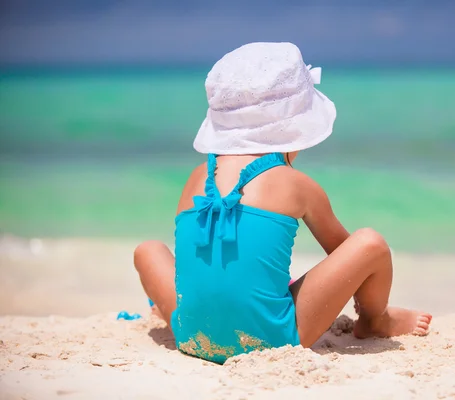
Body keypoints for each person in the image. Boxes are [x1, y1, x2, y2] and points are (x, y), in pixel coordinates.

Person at [133, 42, 432, 364]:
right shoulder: (296, 184)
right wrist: (367, 303)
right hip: (271, 339)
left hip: (191, 335)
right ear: (295, 126)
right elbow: (344, 252)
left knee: (148, 250)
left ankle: (196, 312)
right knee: (370, 244)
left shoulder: (196, 176)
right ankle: (376, 322)